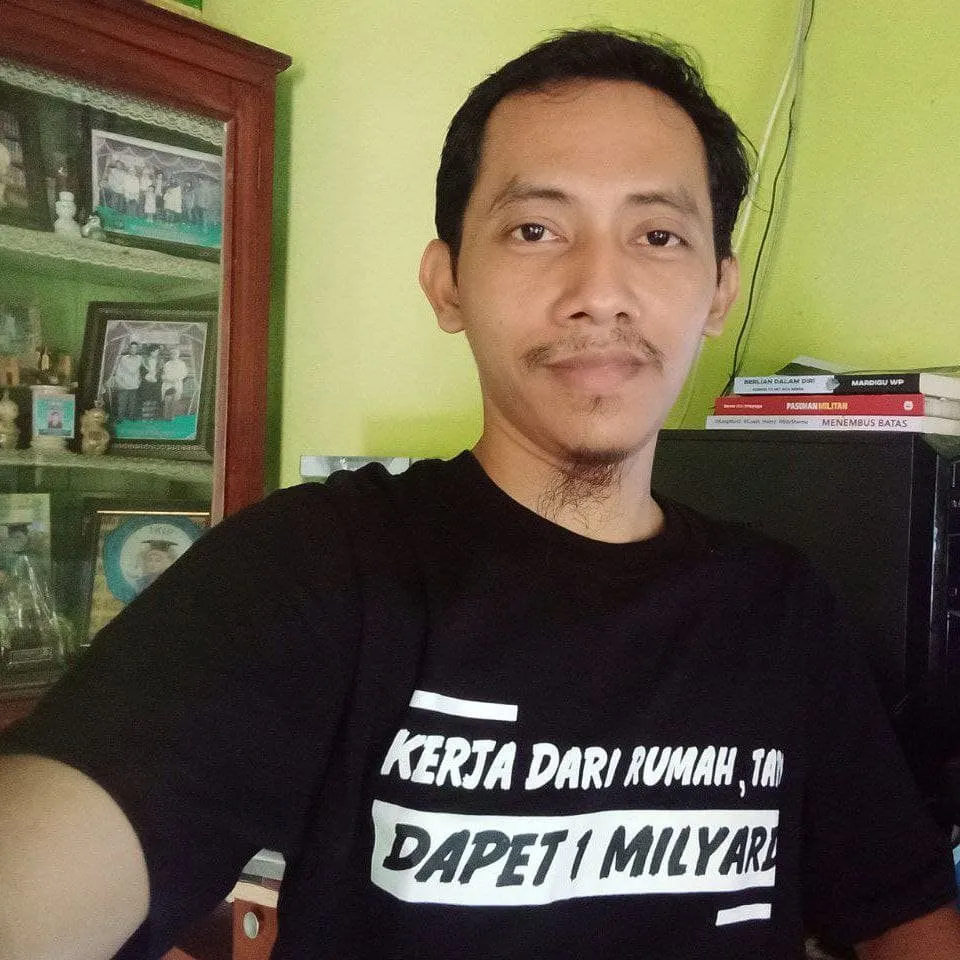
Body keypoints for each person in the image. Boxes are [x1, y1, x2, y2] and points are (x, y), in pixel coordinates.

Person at [0, 27, 958, 960]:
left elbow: (901, 908)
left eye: (658, 234)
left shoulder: (780, 609)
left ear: (717, 293)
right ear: (448, 282)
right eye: (536, 229)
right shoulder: (319, 567)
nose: (601, 291)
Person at [109, 340, 143, 422]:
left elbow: (137, 370)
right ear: (129, 349)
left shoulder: (140, 358)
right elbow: (120, 370)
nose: (133, 350)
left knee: (132, 402)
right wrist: (119, 381)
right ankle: (120, 417)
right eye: (132, 348)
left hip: (134, 384)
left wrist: (139, 381)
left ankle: (131, 417)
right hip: (123, 383)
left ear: (137, 349)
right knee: (122, 402)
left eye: (135, 348)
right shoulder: (123, 358)